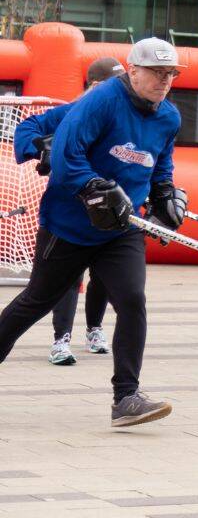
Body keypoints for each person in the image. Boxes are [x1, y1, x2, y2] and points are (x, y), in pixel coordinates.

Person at [0, 37, 187, 428]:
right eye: (157, 72)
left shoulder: (168, 117)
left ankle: (126, 398)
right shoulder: (99, 102)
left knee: (133, 299)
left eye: (171, 74)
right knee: (36, 300)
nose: (164, 81)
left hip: (120, 230)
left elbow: (159, 166)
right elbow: (68, 156)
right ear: (133, 70)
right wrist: (90, 186)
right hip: (69, 225)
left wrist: (165, 197)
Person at [14, 57, 125, 366]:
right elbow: (28, 127)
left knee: (105, 276)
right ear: (96, 87)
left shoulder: (126, 116)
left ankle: (94, 328)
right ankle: (60, 339)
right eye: (116, 84)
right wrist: (42, 146)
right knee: (65, 279)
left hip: (112, 212)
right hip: (71, 212)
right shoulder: (74, 112)